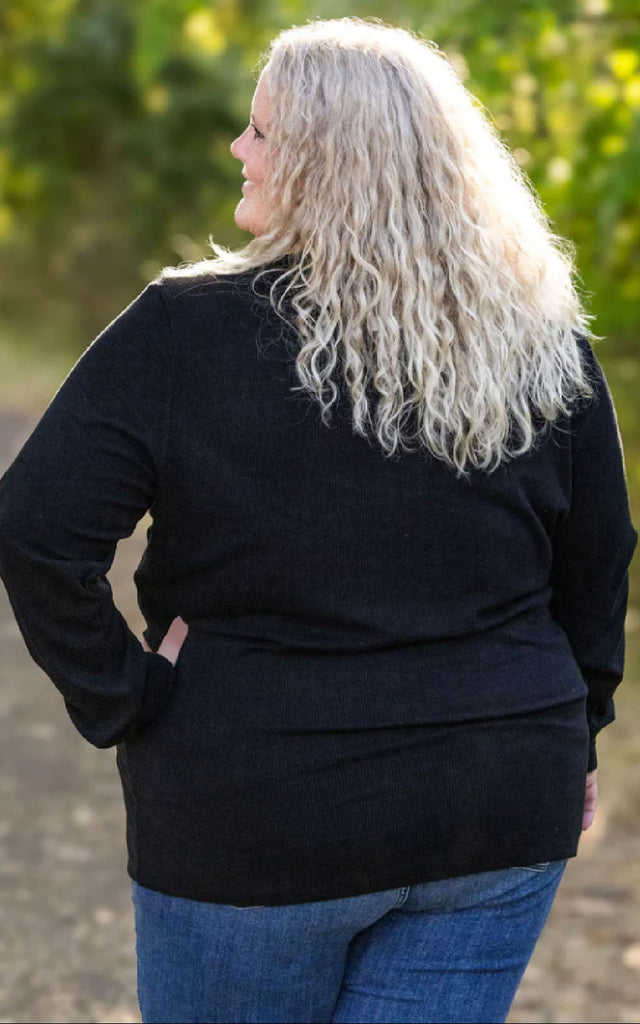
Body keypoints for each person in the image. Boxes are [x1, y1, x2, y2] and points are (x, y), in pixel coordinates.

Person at [0, 15, 636, 1024]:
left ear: (328, 161)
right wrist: (576, 730)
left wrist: (124, 700)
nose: (236, 150)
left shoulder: (179, 331)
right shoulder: (540, 335)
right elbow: (598, 565)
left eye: (260, 132)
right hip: (500, 794)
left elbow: (36, 531)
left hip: (256, 808)